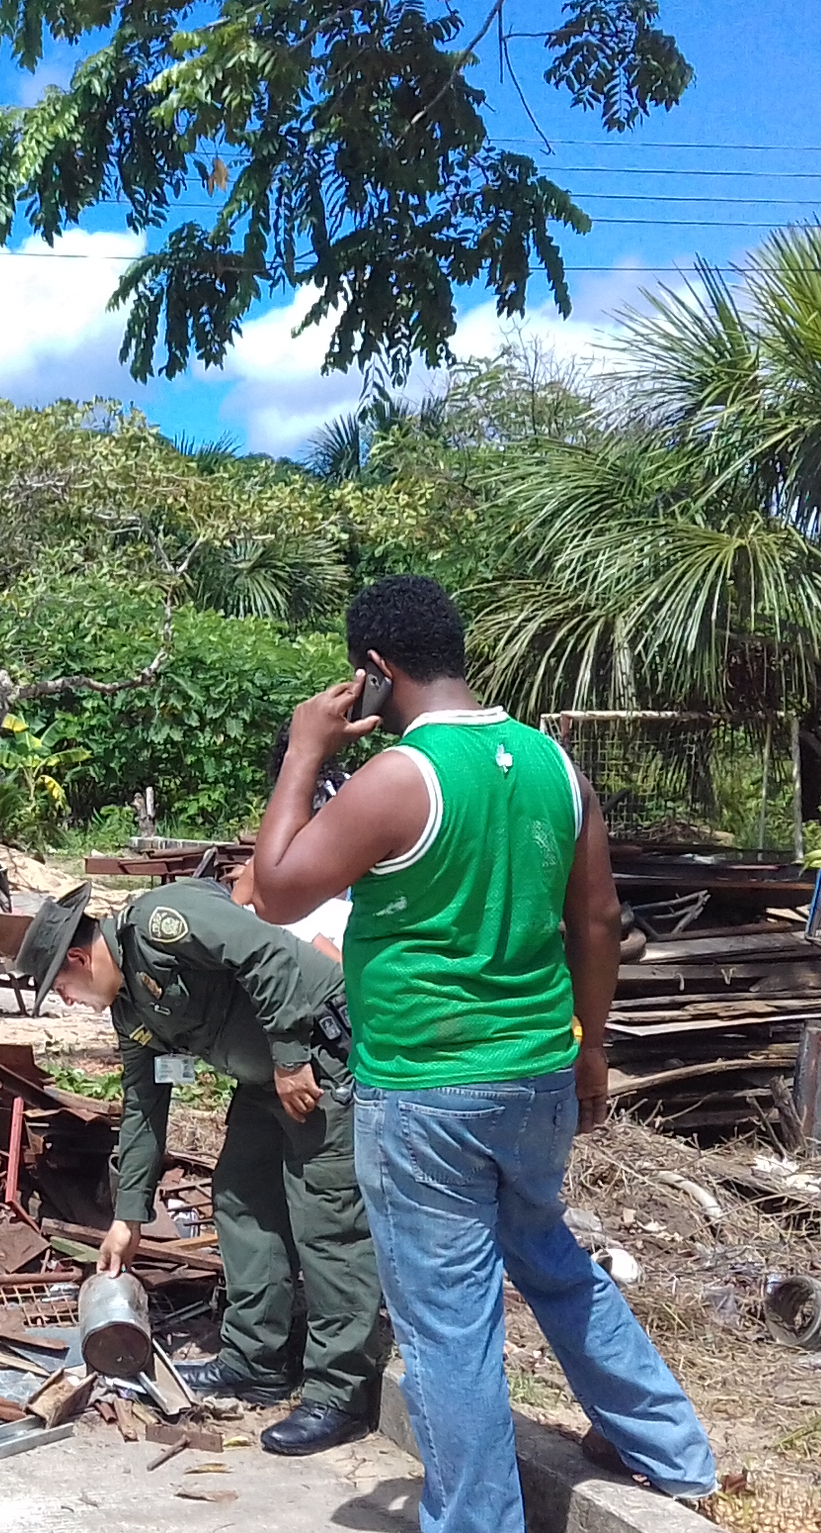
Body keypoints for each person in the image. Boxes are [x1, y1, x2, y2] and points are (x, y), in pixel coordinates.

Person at [243, 575, 717, 1532]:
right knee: (549, 1257)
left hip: (425, 1090)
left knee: (449, 1326)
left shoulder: (399, 779)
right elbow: (598, 920)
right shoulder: (552, 764)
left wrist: (303, 751)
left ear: (375, 671)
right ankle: (672, 1452)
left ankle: (475, 1520)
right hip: (539, 1071)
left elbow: (278, 892)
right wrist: (592, 1055)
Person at [12, 878, 386, 1455]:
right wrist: (128, 1215)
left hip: (318, 1062)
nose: (66, 1001)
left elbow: (269, 955)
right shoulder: (130, 1010)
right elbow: (144, 1107)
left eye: (61, 987)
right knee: (240, 1197)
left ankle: (339, 1393)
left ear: (82, 958)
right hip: (268, 1084)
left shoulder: (166, 921)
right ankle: (255, 1362)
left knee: (328, 1223)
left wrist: (288, 1059)